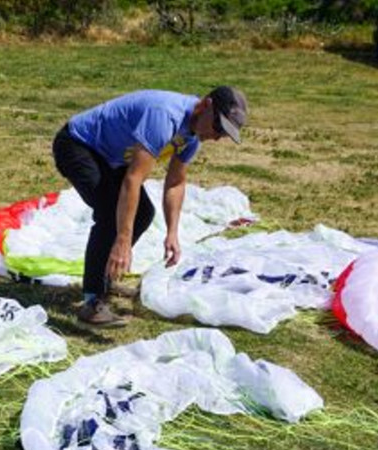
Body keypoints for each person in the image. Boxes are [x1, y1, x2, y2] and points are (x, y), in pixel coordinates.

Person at [52, 86, 248, 327]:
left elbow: (176, 182)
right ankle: (92, 302)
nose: (217, 136)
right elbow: (133, 179)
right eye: (218, 127)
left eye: (224, 134)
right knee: (109, 211)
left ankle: (105, 279)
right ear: (206, 105)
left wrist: (172, 233)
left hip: (110, 157)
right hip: (77, 145)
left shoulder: (191, 137)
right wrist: (123, 240)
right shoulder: (164, 116)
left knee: (143, 213)